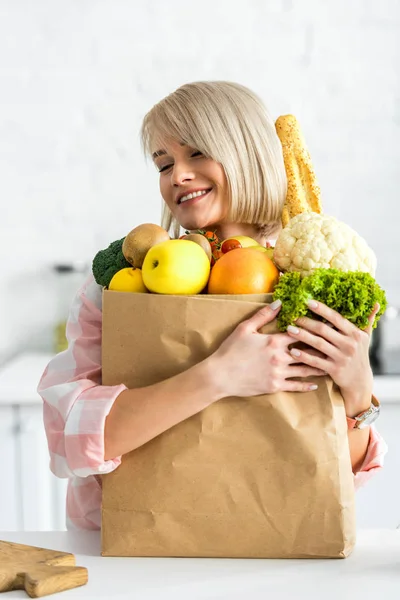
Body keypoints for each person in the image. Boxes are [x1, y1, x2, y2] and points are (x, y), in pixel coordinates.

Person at [38, 81, 387, 530]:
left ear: (247, 154)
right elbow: (70, 444)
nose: (176, 176)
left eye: (197, 153)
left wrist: (358, 391)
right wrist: (217, 376)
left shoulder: (313, 277)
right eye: (164, 164)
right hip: (132, 557)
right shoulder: (125, 282)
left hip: (275, 548)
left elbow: (339, 476)